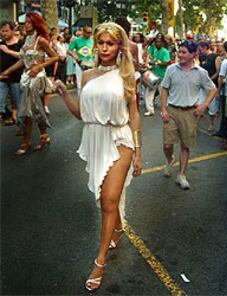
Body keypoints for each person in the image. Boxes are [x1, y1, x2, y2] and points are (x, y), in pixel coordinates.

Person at [53, 22, 142, 291]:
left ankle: (100, 260)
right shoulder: (88, 75)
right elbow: (82, 113)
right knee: (103, 199)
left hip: (119, 138)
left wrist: (138, 152)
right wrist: (63, 95)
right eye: (100, 42)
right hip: (94, 139)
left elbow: (134, 114)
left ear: (119, 46)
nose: (104, 48)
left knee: (108, 201)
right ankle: (117, 229)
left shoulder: (128, 74)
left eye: (110, 43)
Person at [161, 40, 217, 189]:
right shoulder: (171, 69)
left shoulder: (201, 73)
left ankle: (182, 175)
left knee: (186, 145)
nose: (180, 55)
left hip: (190, 113)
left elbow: (213, 89)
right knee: (167, 144)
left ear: (194, 54)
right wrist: (164, 109)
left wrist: (204, 105)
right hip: (172, 110)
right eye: (179, 51)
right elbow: (164, 89)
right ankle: (169, 159)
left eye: (184, 52)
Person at [0, 13, 58, 155]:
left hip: (37, 78)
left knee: (28, 111)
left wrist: (39, 66)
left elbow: (55, 57)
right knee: (34, 110)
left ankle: (25, 142)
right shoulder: (26, 40)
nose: (25, 25)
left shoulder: (41, 40)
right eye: (25, 22)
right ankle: (43, 135)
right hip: (26, 77)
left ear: (36, 24)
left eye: (28, 23)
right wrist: (6, 72)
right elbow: (22, 60)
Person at [0, 20, 23, 125]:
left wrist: (7, 51)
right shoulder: (1, 44)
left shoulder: (20, 43)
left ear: (13, 31)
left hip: (16, 78)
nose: (4, 33)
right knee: (1, 100)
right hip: (2, 77)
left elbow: (22, 57)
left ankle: (22, 125)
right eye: (2, 31)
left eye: (6, 31)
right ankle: (7, 115)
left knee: (19, 103)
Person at [144, 33, 170, 116]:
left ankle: (165, 110)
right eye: (156, 42)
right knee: (149, 94)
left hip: (162, 76)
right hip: (154, 76)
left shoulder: (165, 51)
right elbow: (148, 56)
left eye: (159, 42)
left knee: (163, 95)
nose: (158, 43)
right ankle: (150, 110)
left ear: (162, 43)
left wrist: (155, 63)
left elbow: (166, 63)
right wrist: (149, 63)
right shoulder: (154, 49)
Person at [198, 41, 221, 133]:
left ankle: (211, 124)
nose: (200, 51)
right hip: (202, 86)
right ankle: (195, 123)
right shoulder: (201, 57)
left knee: (212, 106)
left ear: (206, 48)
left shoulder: (216, 57)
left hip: (212, 86)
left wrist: (210, 79)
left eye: (201, 49)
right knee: (199, 103)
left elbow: (218, 71)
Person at [68, 26, 94, 94]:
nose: (89, 34)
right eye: (88, 32)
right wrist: (74, 55)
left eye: (90, 33)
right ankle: (80, 100)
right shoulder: (76, 40)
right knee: (80, 83)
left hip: (90, 63)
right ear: (83, 32)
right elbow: (69, 50)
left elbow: (95, 50)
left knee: (90, 83)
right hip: (79, 63)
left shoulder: (93, 41)